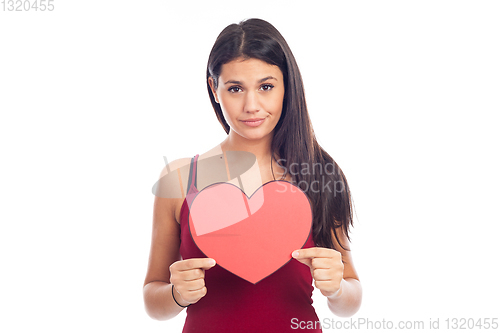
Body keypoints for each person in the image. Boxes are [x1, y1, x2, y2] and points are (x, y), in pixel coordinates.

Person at [143, 18, 362, 332]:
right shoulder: (179, 179)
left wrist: (338, 288)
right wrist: (176, 295)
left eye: (266, 86)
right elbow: (153, 298)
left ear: (286, 86)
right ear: (214, 89)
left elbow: (350, 296)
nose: (251, 105)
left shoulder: (320, 174)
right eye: (235, 88)